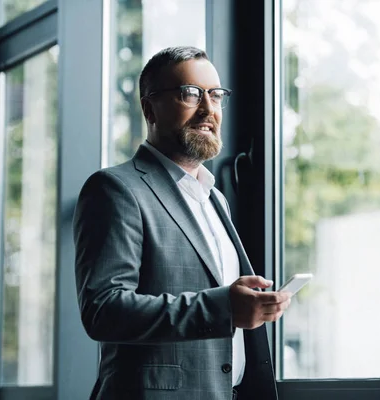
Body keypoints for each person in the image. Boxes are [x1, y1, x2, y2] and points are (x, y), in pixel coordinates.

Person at [73, 46, 291, 400]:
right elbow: (104, 310)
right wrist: (222, 308)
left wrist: (255, 306)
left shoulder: (214, 198)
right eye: (190, 94)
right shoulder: (115, 188)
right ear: (149, 108)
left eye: (216, 95)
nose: (208, 109)